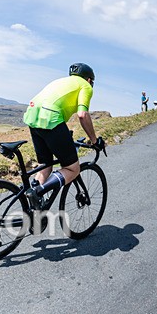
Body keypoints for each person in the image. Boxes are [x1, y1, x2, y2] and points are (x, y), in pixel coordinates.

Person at [22, 62, 105, 211]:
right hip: (51, 118)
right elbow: (82, 115)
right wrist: (94, 140)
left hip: (32, 115)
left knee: (45, 165)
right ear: (89, 80)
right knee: (73, 169)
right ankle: (38, 192)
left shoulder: (62, 81)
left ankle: (33, 210)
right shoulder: (85, 86)